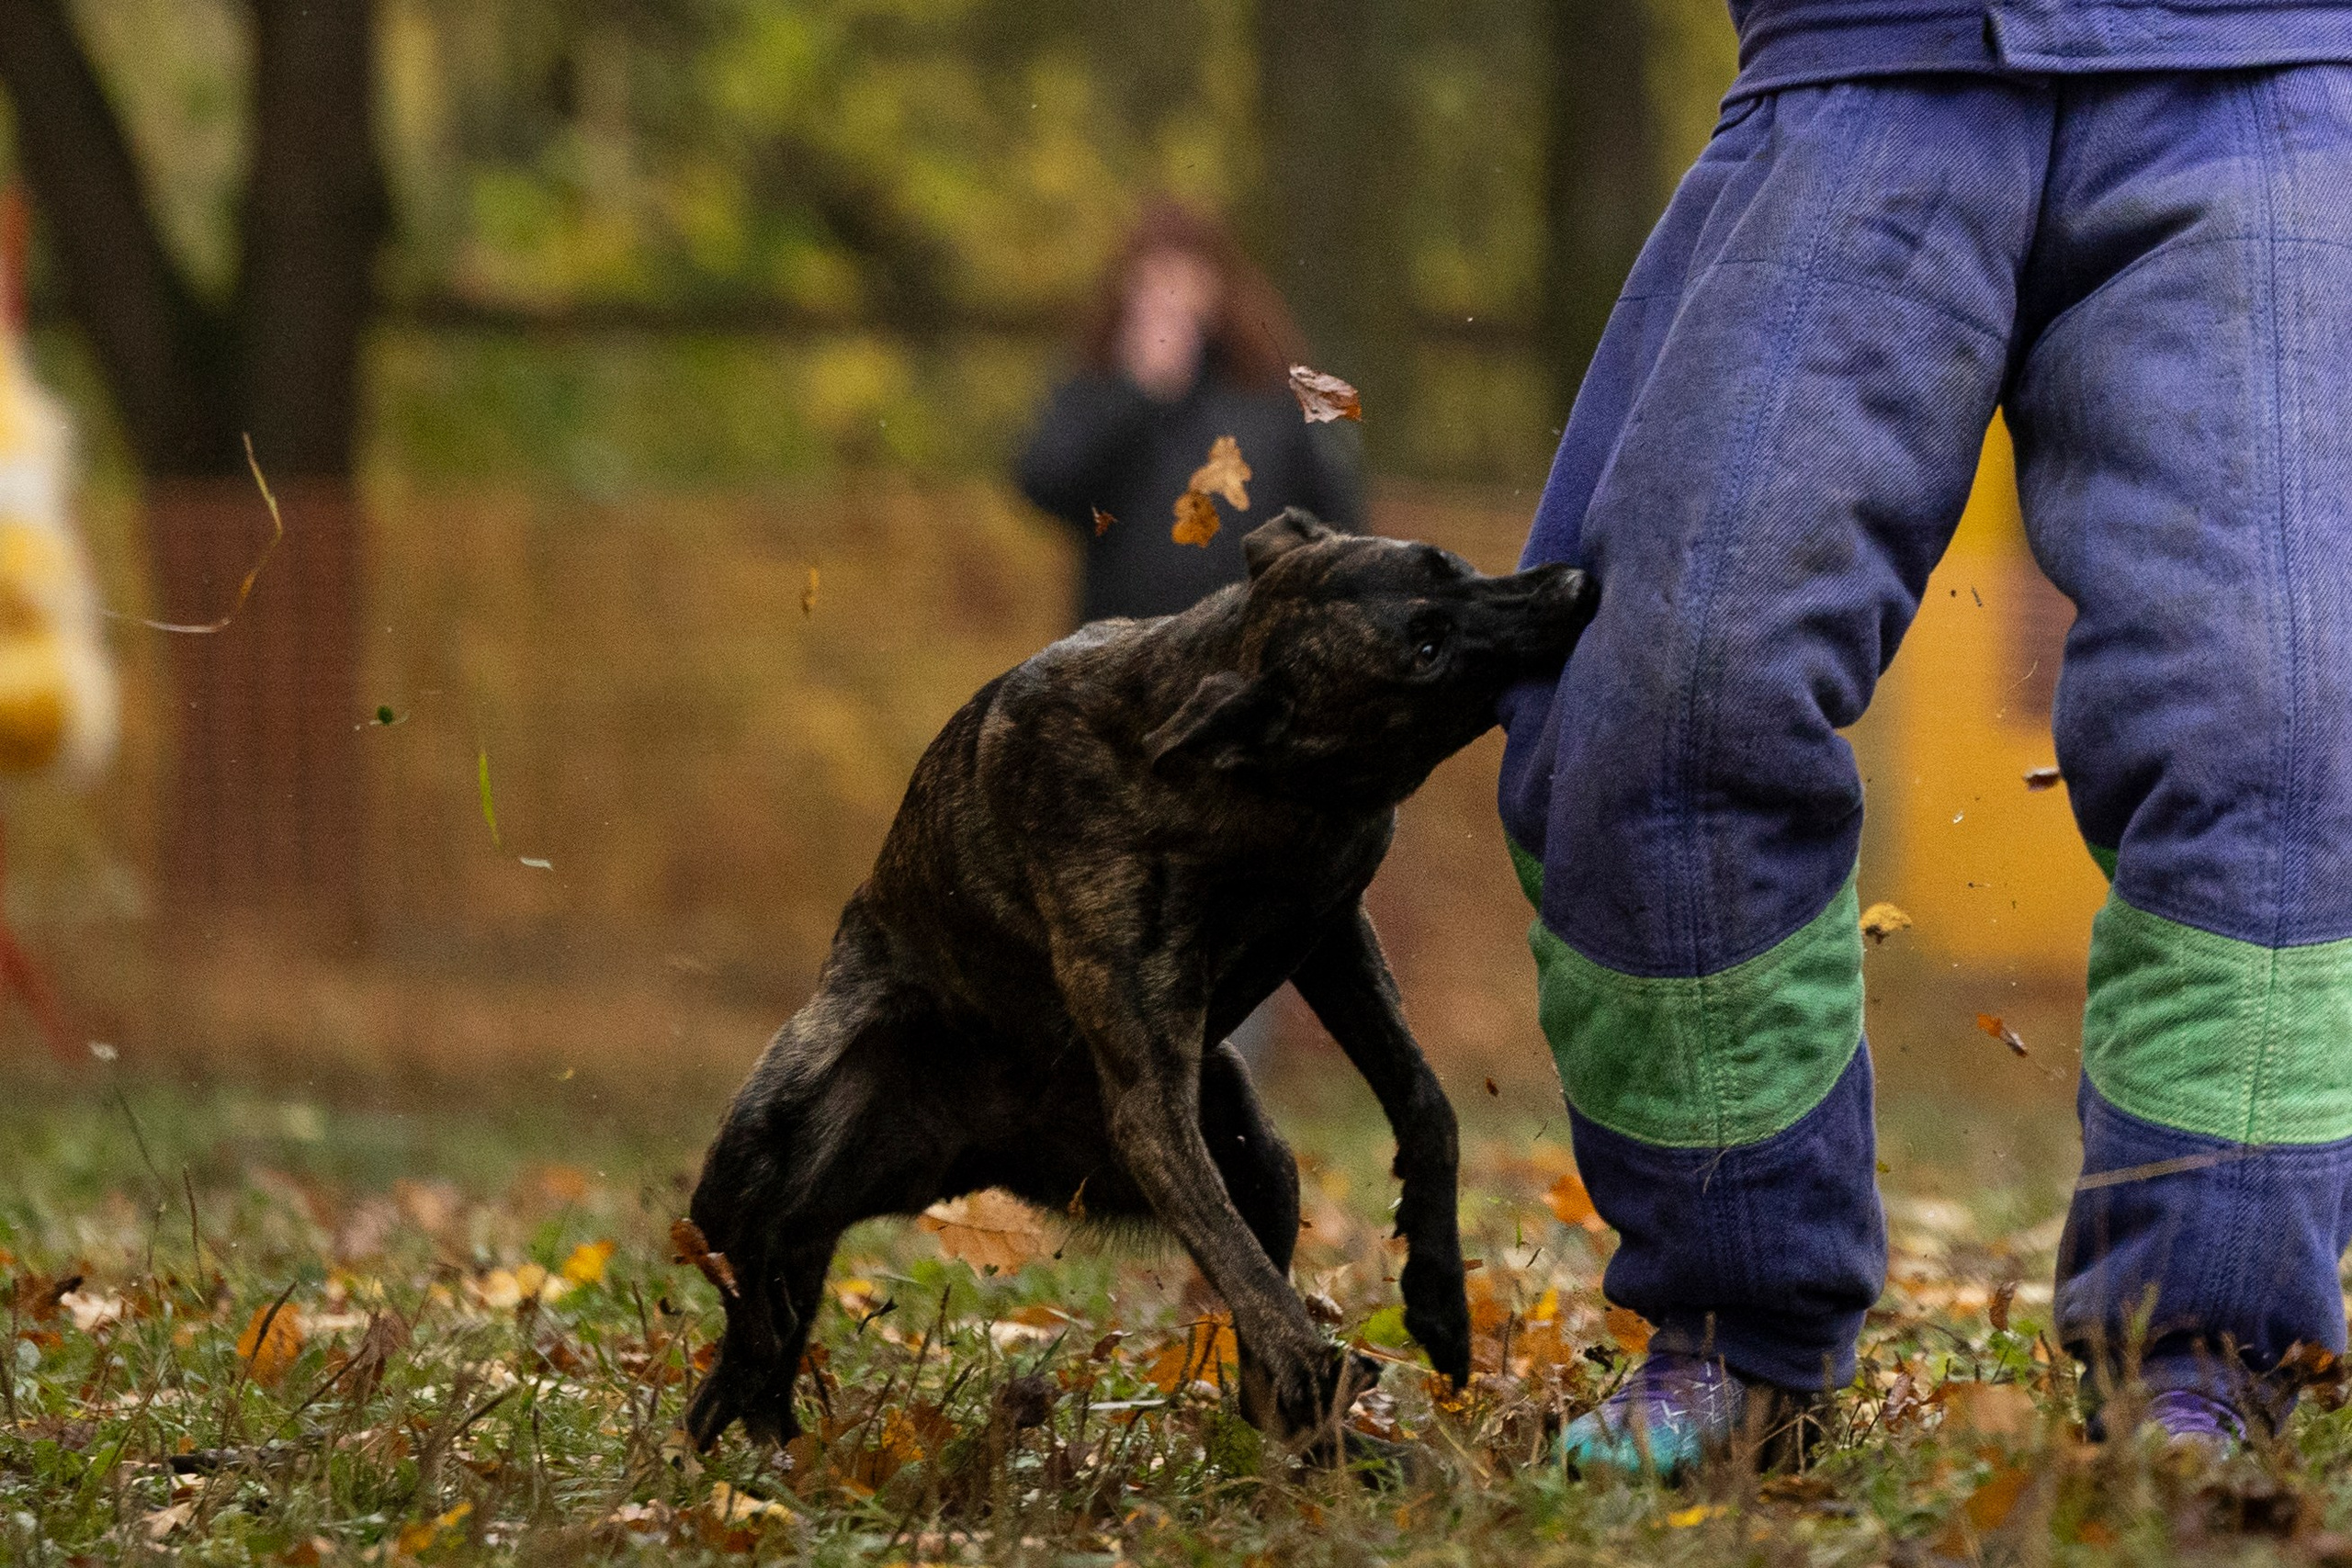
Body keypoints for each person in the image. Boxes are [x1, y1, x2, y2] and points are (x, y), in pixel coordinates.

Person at [1502, 3, 2352, 1474]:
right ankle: (1733, 1323)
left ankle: (2206, 1355)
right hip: (1862, 45)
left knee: (2276, 727)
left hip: (2255, 53)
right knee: (1673, 695)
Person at [1016, 200, 1362, 627]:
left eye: (1181, 278)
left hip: (1244, 643)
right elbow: (1043, 484)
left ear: (1217, 286)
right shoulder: (1099, 382)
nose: (1168, 299)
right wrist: (1135, 395)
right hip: (1127, 646)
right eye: (1152, 282)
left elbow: (1338, 522)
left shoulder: (1271, 391)